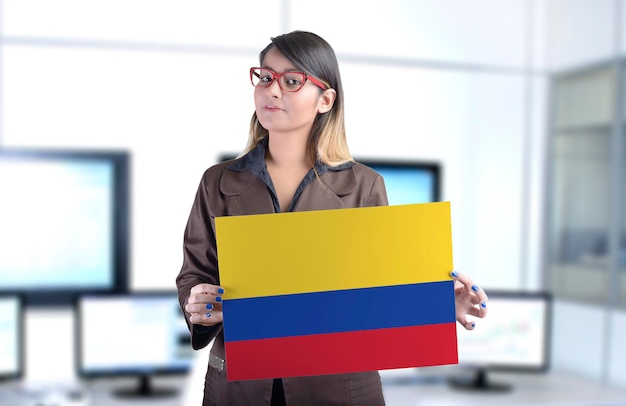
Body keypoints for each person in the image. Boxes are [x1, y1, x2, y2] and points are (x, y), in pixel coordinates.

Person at [176, 30, 488, 406]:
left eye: (292, 81)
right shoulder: (219, 181)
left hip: (336, 389)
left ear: (325, 100)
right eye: (265, 77)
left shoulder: (364, 186)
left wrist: (437, 308)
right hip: (239, 387)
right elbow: (195, 275)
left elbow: (378, 294)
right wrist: (199, 304)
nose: (272, 91)